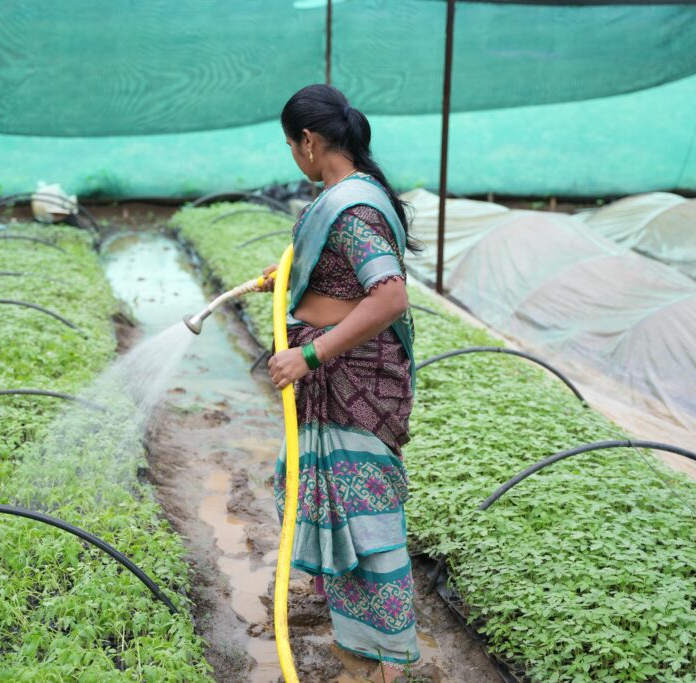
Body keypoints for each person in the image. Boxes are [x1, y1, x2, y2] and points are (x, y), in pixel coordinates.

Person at [265, 84, 421, 681]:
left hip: (354, 381)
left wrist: (312, 355)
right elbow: (344, 277)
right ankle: (357, 643)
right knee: (310, 490)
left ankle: (387, 662)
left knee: (366, 522)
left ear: (309, 141)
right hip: (335, 382)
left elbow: (390, 297)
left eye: (290, 145)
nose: (292, 156)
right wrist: (289, 278)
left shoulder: (351, 208)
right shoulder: (344, 199)